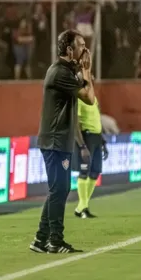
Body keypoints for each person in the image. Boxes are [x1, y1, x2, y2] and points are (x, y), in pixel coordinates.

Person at [29, 29, 95, 254]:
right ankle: (55, 241)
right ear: (69, 49)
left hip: (58, 140)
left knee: (58, 189)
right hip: (55, 140)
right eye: (81, 45)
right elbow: (89, 98)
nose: (85, 50)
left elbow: (87, 88)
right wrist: (86, 69)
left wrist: (83, 70)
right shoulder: (59, 72)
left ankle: (40, 239)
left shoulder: (65, 70)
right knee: (59, 189)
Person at [74, 75, 108, 218]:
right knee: (84, 172)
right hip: (86, 136)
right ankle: (83, 207)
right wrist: (81, 145)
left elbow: (96, 120)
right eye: (90, 80)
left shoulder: (93, 99)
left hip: (96, 137)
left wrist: (102, 141)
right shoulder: (79, 99)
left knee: (95, 172)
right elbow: (76, 123)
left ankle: (82, 206)